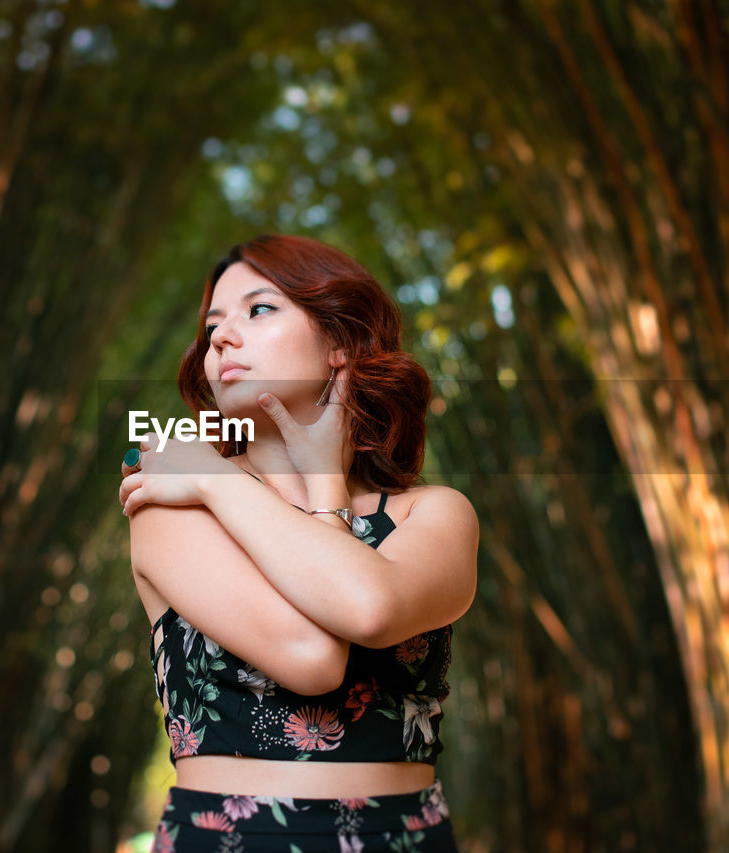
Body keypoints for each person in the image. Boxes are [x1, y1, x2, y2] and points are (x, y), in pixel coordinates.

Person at [118, 234, 478, 852]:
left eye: (259, 310)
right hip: (228, 838)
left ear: (340, 345)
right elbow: (312, 657)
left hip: (402, 838)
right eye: (212, 327)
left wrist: (220, 476)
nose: (223, 337)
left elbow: (367, 607)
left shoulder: (435, 513)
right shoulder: (169, 506)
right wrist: (218, 482)